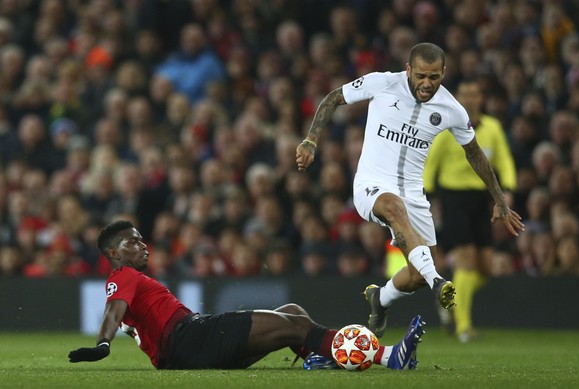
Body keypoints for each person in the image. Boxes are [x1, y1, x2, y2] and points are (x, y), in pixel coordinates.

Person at [295, 42, 524, 337]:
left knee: (414, 276)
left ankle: (381, 298)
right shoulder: (382, 83)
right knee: (393, 208)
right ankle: (438, 281)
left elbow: (476, 154)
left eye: (433, 77)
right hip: (371, 184)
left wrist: (500, 199)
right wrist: (311, 140)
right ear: (408, 70)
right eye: (420, 76)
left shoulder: (452, 108)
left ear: (443, 73)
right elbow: (333, 98)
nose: (426, 84)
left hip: (414, 195)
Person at [68, 220, 425, 370]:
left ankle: (319, 357)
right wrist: (103, 345)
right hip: (191, 337)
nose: (143, 245)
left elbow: (130, 324)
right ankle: (389, 357)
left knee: (292, 311)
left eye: (142, 238)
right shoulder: (123, 276)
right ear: (115, 253)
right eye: (133, 242)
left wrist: (130, 334)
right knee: (296, 324)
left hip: (189, 346)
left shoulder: (131, 282)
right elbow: (114, 312)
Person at [423, 79, 517, 342]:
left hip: (481, 199)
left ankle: (450, 302)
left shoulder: (493, 128)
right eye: (465, 93)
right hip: (453, 198)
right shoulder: (445, 129)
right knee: (465, 259)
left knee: (486, 268)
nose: (470, 98)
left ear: (481, 98)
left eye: (475, 94)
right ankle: (464, 327)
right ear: (457, 98)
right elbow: (431, 165)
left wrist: (507, 189)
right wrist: (428, 198)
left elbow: (504, 160)